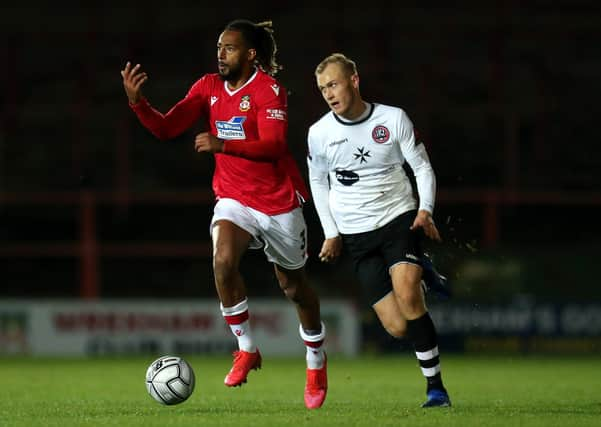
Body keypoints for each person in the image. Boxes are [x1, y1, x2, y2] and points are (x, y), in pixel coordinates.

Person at [121, 19, 327, 410]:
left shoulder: (270, 91)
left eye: (230, 47)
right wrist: (138, 104)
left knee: (295, 289)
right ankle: (246, 349)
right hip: (233, 197)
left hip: (278, 200)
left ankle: (316, 359)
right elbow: (167, 128)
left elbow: (273, 145)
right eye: (219, 46)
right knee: (223, 261)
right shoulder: (208, 87)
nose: (221, 53)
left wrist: (223, 144)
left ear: (250, 54)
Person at [306, 53, 451, 408]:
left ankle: (436, 389)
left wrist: (425, 209)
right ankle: (425, 271)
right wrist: (331, 232)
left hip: (397, 218)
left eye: (334, 84)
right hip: (356, 237)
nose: (329, 93)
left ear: (354, 80)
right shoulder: (319, 133)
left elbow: (421, 166)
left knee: (408, 295)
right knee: (399, 327)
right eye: (323, 88)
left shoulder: (393, 118)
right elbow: (317, 183)